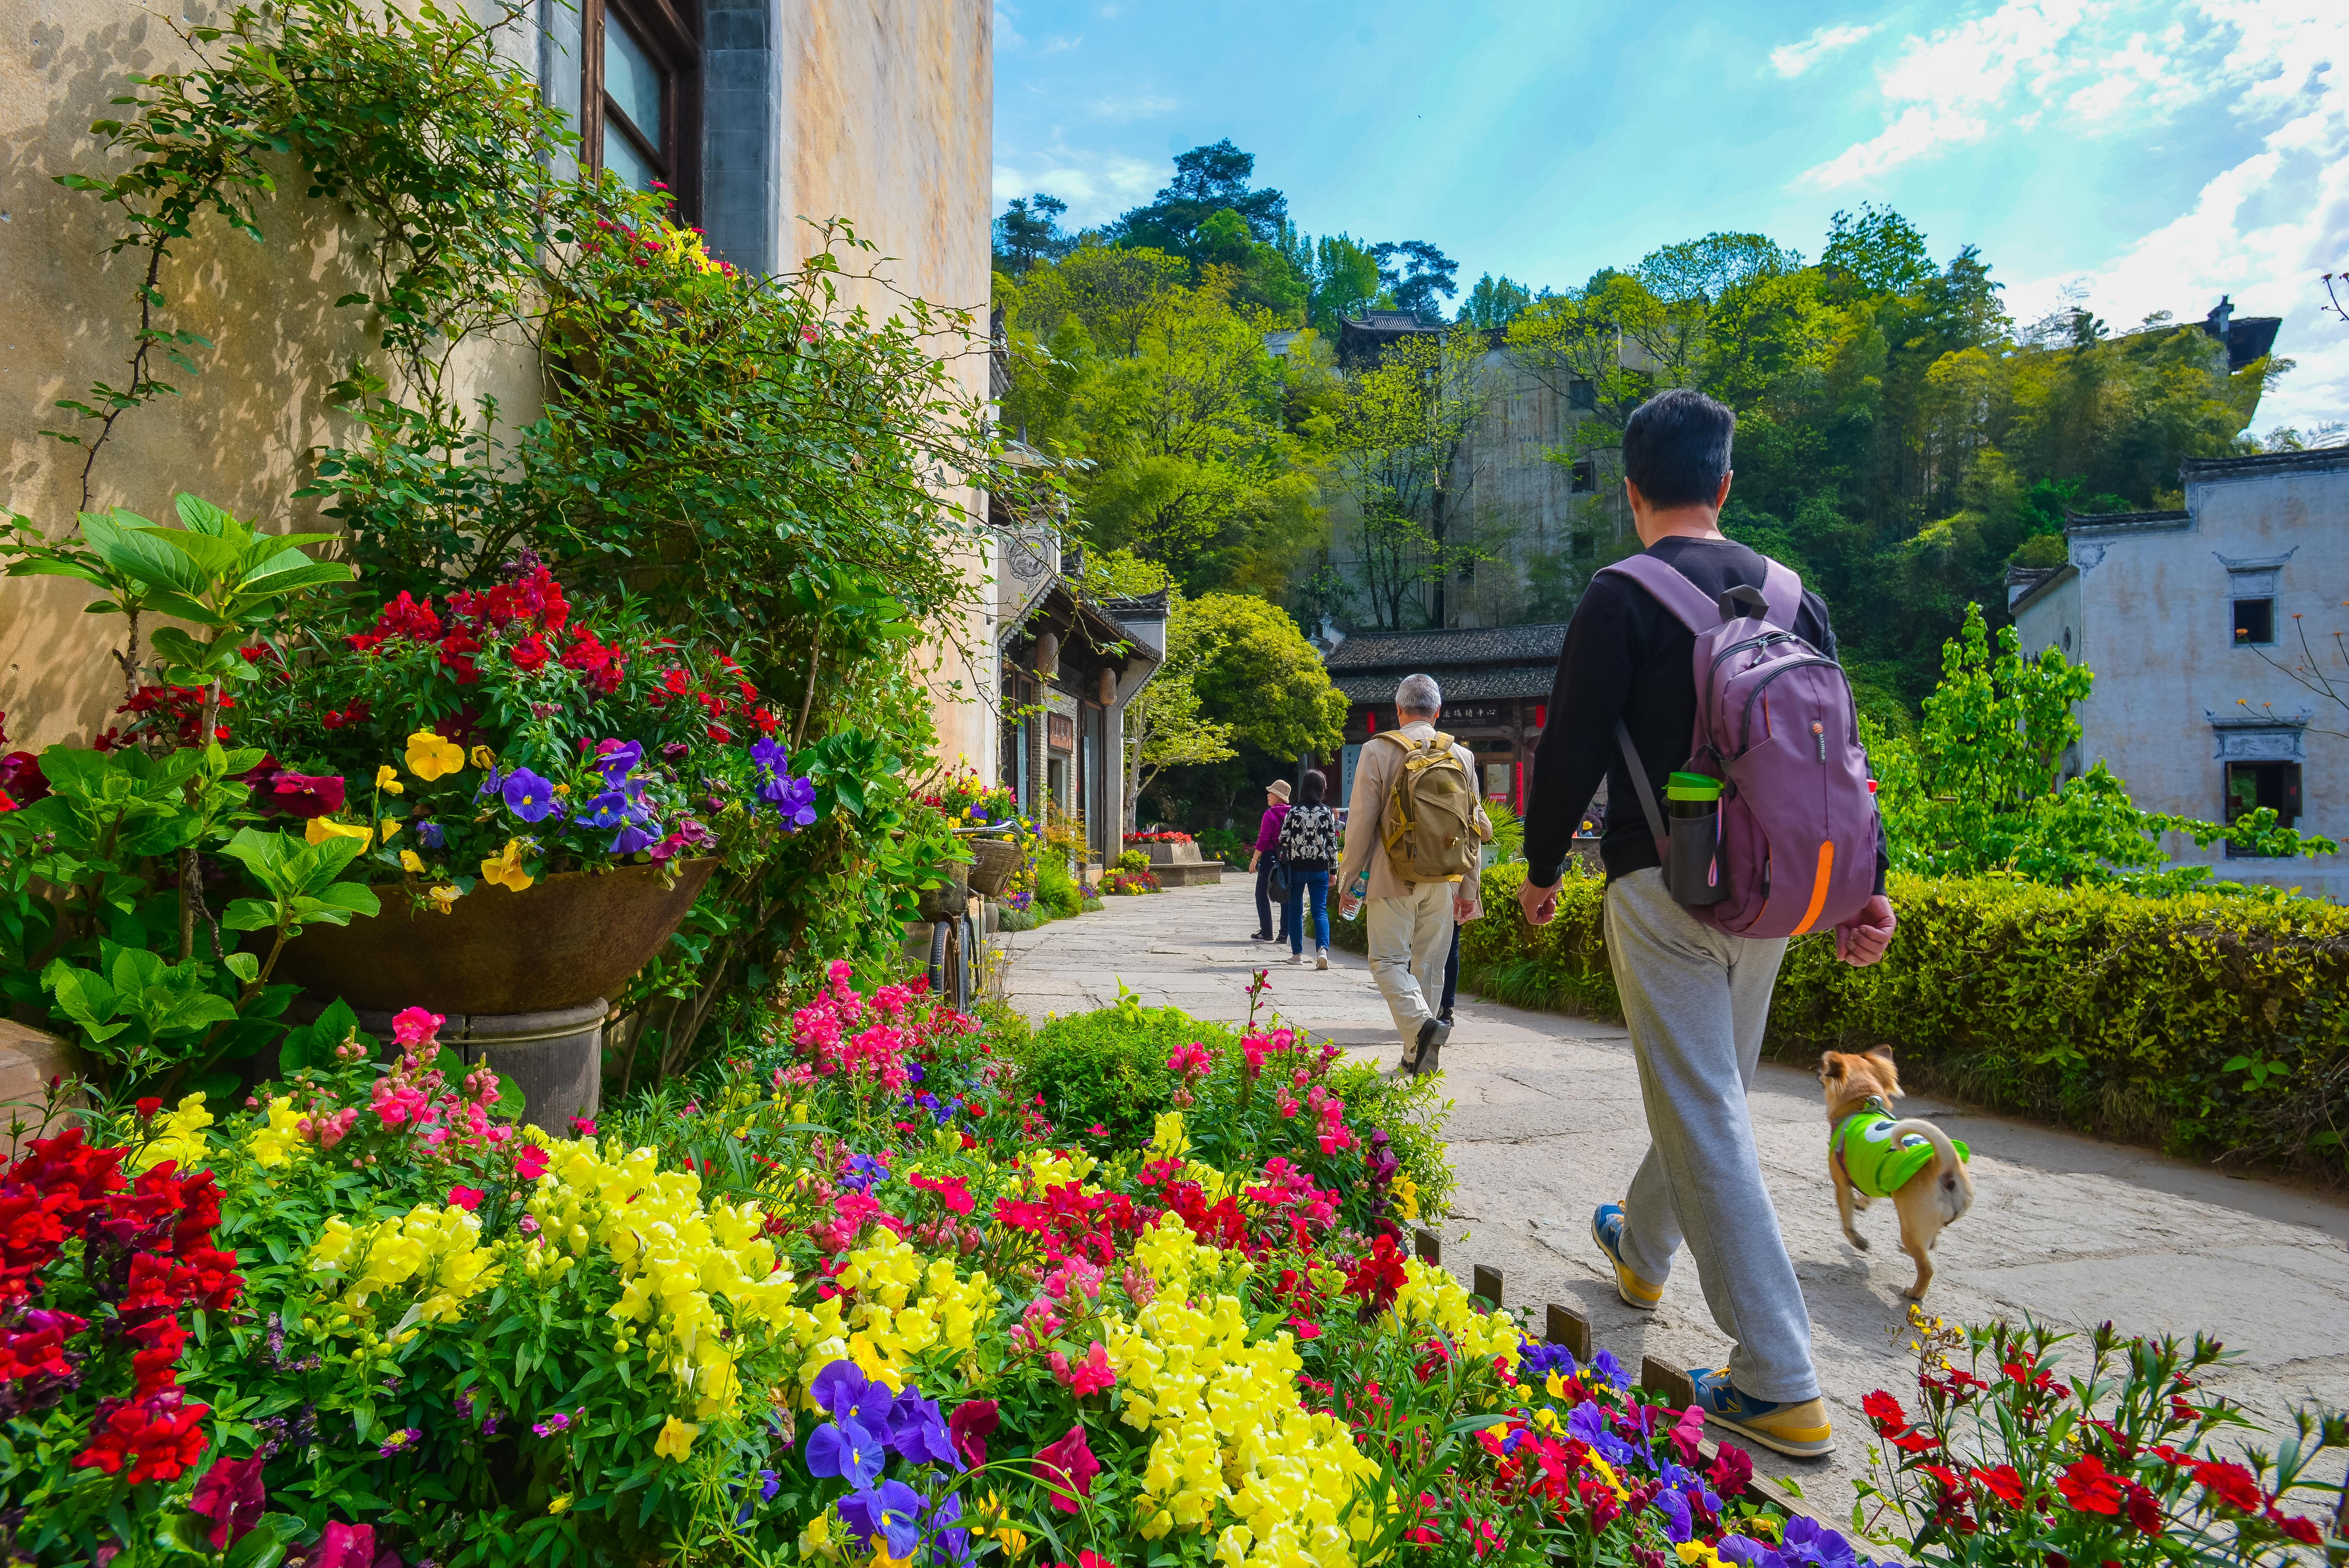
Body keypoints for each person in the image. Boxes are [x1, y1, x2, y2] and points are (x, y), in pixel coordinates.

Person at [1515, 387, 1897, 1461]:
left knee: (1704, 1107)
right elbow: (1845, 758)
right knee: (1710, 1094)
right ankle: (1640, 1246)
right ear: (1726, 485)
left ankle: (1778, 1376)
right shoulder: (1793, 595)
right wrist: (1869, 889)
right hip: (1776, 894)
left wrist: (1542, 870)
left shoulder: (1620, 596)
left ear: (1634, 493)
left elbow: (1572, 748)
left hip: (1665, 885)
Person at [1336, 674, 1485, 1075]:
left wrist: (1347, 878)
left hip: (1391, 876)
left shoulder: (1378, 749)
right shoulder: (1462, 755)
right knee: (1430, 967)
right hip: (1446, 880)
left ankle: (1421, 1030)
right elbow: (1474, 827)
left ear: (1398, 710)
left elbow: (1362, 823)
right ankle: (1415, 1057)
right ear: (1437, 712)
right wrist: (1470, 889)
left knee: (1386, 961)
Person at [1277, 769, 1338, 969]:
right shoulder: (1326, 812)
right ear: (1321, 788)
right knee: (1320, 910)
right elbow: (1332, 844)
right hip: (1320, 869)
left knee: (1295, 910)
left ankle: (1297, 955)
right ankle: (1322, 951)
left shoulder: (1293, 811)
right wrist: (1333, 870)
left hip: (1297, 869)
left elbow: (1283, 839)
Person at [1247, 779, 1291, 943]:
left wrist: (1254, 860)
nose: (1268, 796)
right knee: (1285, 894)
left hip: (1270, 858)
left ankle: (1266, 932)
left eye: (1271, 793)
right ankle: (1284, 934)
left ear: (1278, 797)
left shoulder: (1270, 814)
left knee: (1261, 894)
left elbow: (1263, 839)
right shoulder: (1293, 814)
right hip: (1287, 858)